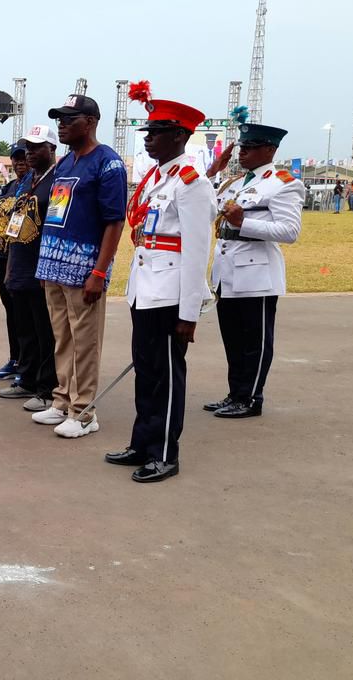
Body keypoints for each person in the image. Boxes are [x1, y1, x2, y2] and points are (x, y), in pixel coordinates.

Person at [103, 88, 215, 483]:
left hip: (169, 295)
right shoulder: (156, 178)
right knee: (147, 373)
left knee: (166, 377)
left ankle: (165, 453)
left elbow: (197, 251)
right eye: (147, 130)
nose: (148, 137)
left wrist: (189, 314)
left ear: (181, 136)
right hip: (145, 290)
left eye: (158, 130)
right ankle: (142, 443)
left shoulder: (191, 182)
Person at [32, 93, 127, 438]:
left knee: (85, 342)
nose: (62, 125)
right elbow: (57, 214)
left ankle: (84, 411)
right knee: (63, 338)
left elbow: (115, 222)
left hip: (84, 269)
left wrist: (99, 272)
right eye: (60, 119)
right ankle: (61, 401)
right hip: (54, 267)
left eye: (69, 119)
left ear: (90, 122)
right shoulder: (66, 163)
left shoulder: (108, 163)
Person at [203, 123, 304, 418]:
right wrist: (212, 173)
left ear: (269, 150)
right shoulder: (234, 182)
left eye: (250, 147)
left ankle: (250, 398)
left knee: (255, 342)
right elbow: (206, 206)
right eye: (242, 147)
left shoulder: (283, 183)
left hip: (256, 275)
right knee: (233, 339)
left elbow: (289, 231)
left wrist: (243, 223)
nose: (242, 152)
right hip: (227, 272)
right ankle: (235, 393)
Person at [2, 126, 59, 413]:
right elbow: (15, 226)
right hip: (20, 265)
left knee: (44, 331)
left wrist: (47, 269)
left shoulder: (57, 181)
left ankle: (47, 388)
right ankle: (26, 378)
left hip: (41, 269)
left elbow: (56, 226)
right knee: (24, 328)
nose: (31, 153)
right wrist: (11, 265)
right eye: (28, 148)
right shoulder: (27, 183)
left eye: (38, 148)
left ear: (52, 149)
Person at [0, 141, 30, 393]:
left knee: (24, 317)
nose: (19, 163)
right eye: (15, 158)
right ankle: (15, 359)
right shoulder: (9, 187)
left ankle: (27, 365)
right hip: (2, 255)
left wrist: (11, 263)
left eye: (23, 158)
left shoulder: (33, 187)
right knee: (12, 315)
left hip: (20, 260)